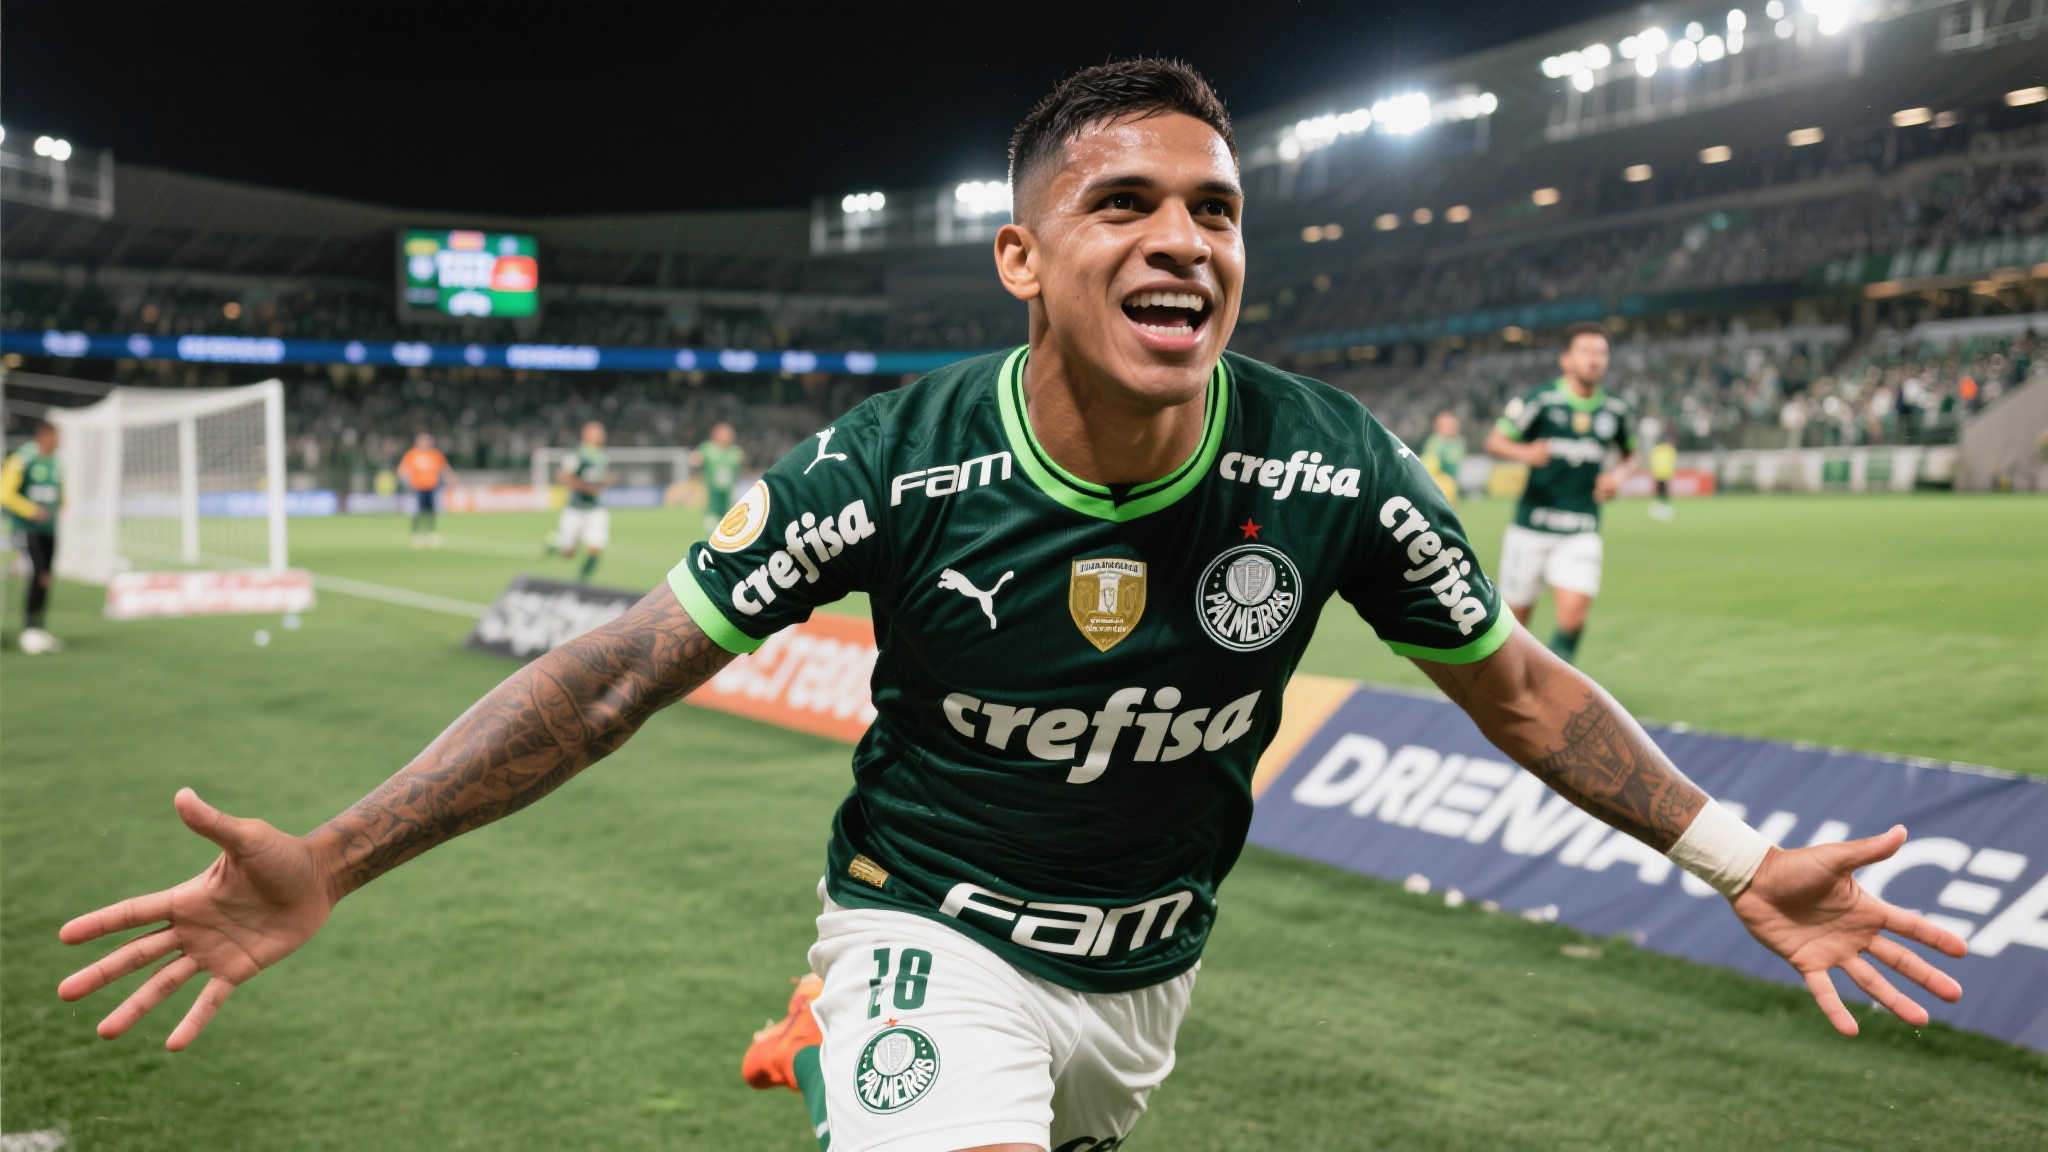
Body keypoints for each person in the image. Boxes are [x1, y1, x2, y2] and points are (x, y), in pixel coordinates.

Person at [59, 60, 1964, 1152]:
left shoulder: (1333, 468)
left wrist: (1736, 860)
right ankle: (854, 1004)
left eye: (1213, 209)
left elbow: (1520, 690)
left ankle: (831, 1039)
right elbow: (616, 671)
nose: (1182, 238)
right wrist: (333, 857)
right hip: (931, 928)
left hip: (1147, 972)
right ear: (1021, 258)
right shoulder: (891, 463)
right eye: (1123, 203)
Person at [1483, 322, 1637, 665]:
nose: (1594, 359)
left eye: (1601, 353)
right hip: (1531, 528)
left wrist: (1618, 476)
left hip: (1581, 529)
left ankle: (1546, 684)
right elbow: (1495, 440)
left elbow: (1631, 454)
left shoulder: (1615, 409)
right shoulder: (1540, 400)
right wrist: (1527, 453)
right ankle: (1508, 684)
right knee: (1513, 626)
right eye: (1585, 351)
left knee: (1573, 618)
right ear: (1566, 359)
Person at [3, 420, 63, 653]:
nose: (59, 441)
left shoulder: (56, 462)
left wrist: (60, 506)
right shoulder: (23, 459)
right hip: (27, 529)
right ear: (44, 436)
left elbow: (59, 493)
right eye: (56, 436)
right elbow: (4, 493)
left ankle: (38, 628)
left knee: (46, 576)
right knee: (37, 574)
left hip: (49, 529)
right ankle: (29, 630)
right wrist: (31, 510)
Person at [549, 421, 608, 582]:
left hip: (595, 509)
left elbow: (602, 478)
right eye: (596, 431)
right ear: (586, 434)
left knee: (595, 547)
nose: (601, 435)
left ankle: (582, 581)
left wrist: (604, 483)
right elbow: (562, 476)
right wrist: (584, 487)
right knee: (568, 553)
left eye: (601, 431)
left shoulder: (602, 456)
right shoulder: (577, 455)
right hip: (575, 509)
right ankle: (553, 543)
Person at [395, 433, 454, 549]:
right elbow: (402, 469)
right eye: (423, 441)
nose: (425, 443)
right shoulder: (412, 454)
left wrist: (451, 478)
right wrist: (405, 480)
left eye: (427, 441)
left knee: (431, 512)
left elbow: (444, 468)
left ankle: (431, 533)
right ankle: (416, 534)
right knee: (417, 511)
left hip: (432, 487)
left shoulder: (436, 454)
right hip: (417, 487)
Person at [692, 421, 746, 537]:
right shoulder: (707, 449)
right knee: (711, 521)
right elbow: (695, 460)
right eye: (724, 433)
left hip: (728, 494)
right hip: (712, 494)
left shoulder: (735, 452)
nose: (728, 436)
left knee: (729, 523)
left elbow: (739, 470)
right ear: (715, 435)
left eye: (729, 434)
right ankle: (709, 542)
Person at [1418, 410, 1464, 506]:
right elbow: (1429, 465)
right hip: (1438, 484)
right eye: (1447, 426)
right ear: (1438, 427)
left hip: (1451, 484)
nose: (1451, 428)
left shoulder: (1458, 442)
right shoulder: (1436, 443)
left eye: (1453, 425)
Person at [1649, 436, 1678, 520]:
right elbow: (1654, 462)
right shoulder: (1662, 450)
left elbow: (1672, 462)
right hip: (1660, 474)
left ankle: (1665, 507)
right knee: (1660, 492)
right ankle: (1661, 507)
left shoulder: (1667, 450)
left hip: (1664, 474)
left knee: (1664, 492)